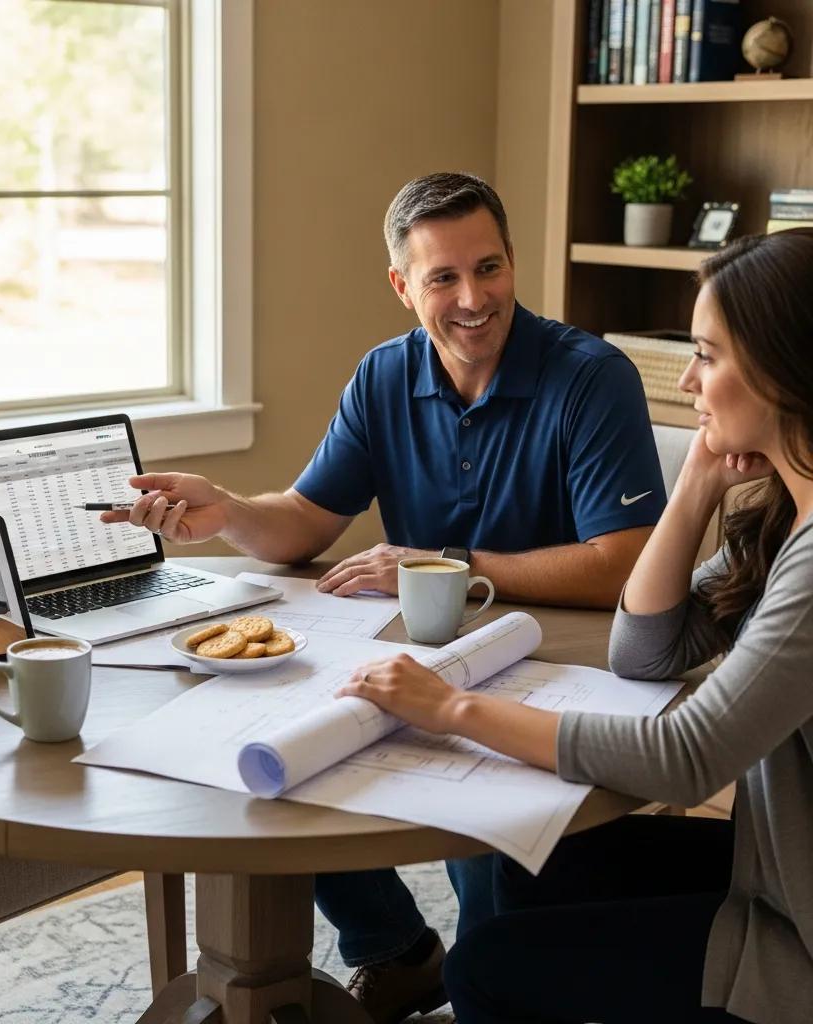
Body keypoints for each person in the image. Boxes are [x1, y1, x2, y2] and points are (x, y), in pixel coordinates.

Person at [104, 171, 667, 1023]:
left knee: (487, 861)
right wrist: (227, 513)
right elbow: (302, 522)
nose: (473, 298)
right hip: (419, 651)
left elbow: (624, 564)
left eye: (490, 268)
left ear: (514, 261)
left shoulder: (592, 378)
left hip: (553, 664)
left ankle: (486, 984)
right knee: (276, 755)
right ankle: (396, 952)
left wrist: (443, 560)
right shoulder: (383, 376)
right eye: (443, 278)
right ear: (403, 287)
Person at [337, 228, 813, 1023]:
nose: (690, 380)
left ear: (784, 369)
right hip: (778, 864)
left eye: (707, 354)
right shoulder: (781, 521)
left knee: (487, 966)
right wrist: (696, 480)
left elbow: (688, 757)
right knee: (536, 865)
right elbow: (645, 649)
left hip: (796, 930)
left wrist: (451, 707)